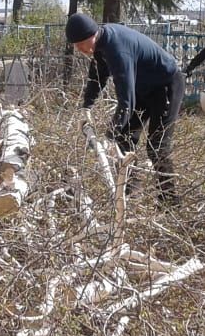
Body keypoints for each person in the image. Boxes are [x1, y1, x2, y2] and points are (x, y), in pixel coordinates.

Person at [67, 12, 185, 202]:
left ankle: (169, 200)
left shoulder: (117, 50)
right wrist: (86, 107)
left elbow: (126, 100)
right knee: (124, 138)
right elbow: (96, 78)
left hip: (166, 85)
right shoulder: (98, 45)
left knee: (157, 145)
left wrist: (109, 135)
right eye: (76, 46)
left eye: (81, 44)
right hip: (144, 88)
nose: (80, 49)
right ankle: (130, 192)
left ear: (92, 35)